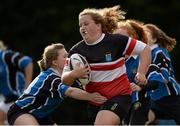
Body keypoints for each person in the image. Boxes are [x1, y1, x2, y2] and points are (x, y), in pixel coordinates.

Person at [61, 5, 151, 125]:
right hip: (95, 102)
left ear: (98, 25)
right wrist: (73, 74)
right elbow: (64, 80)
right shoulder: (76, 51)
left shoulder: (116, 41)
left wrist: (141, 72)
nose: (82, 27)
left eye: (86, 24)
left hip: (120, 97)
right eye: (80, 25)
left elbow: (145, 49)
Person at [7, 43, 107, 125]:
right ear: (55, 62)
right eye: (65, 57)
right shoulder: (50, 78)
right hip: (21, 111)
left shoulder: (67, 77)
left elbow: (86, 85)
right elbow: (71, 92)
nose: (69, 58)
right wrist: (91, 97)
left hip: (41, 116)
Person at [144, 24, 180, 125]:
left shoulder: (159, 52)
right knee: (140, 119)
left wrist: (147, 84)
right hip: (154, 100)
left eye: (146, 33)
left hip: (171, 97)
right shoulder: (142, 55)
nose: (142, 34)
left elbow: (164, 77)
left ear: (154, 39)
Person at [0, 40, 33, 125]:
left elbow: (27, 62)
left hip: (19, 97)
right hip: (9, 100)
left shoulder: (4, 55)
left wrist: (27, 87)